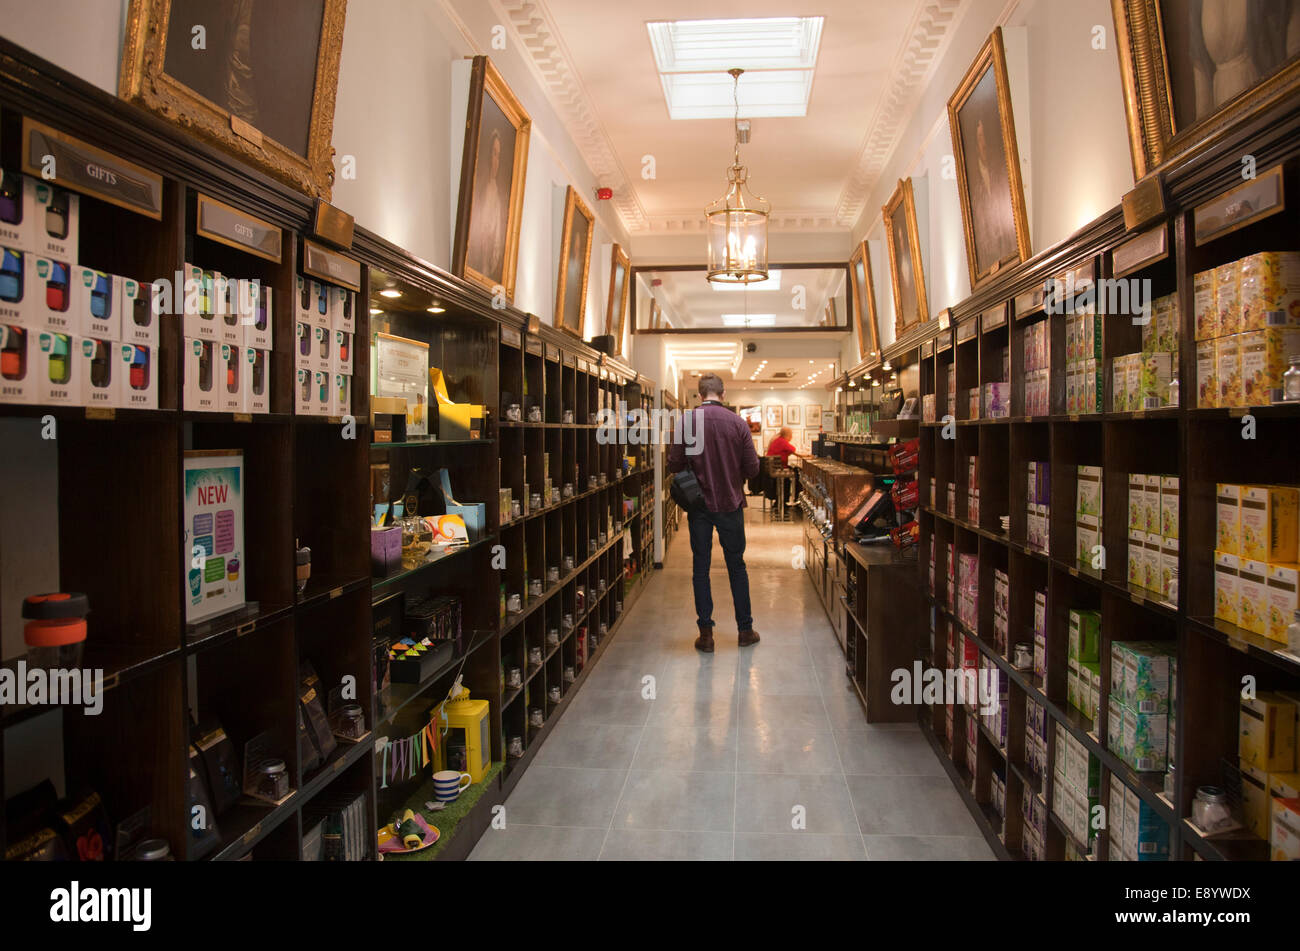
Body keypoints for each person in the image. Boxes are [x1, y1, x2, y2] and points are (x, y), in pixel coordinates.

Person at [667, 374, 761, 653]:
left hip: (699, 507)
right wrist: (734, 476)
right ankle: (745, 631)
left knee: (700, 567)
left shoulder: (687, 421)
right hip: (731, 503)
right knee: (737, 566)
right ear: (723, 393)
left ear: (699, 395)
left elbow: (674, 463)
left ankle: (706, 635)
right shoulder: (738, 423)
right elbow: (754, 468)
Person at [764, 427, 801, 505]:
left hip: (774, 468)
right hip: (778, 468)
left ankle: (782, 500)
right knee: (797, 473)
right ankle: (795, 498)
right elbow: (793, 449)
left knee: (792, 472)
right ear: (787, 435)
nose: (791, 437)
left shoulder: (777, 440)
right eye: (791, 435)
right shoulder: (782, 441)